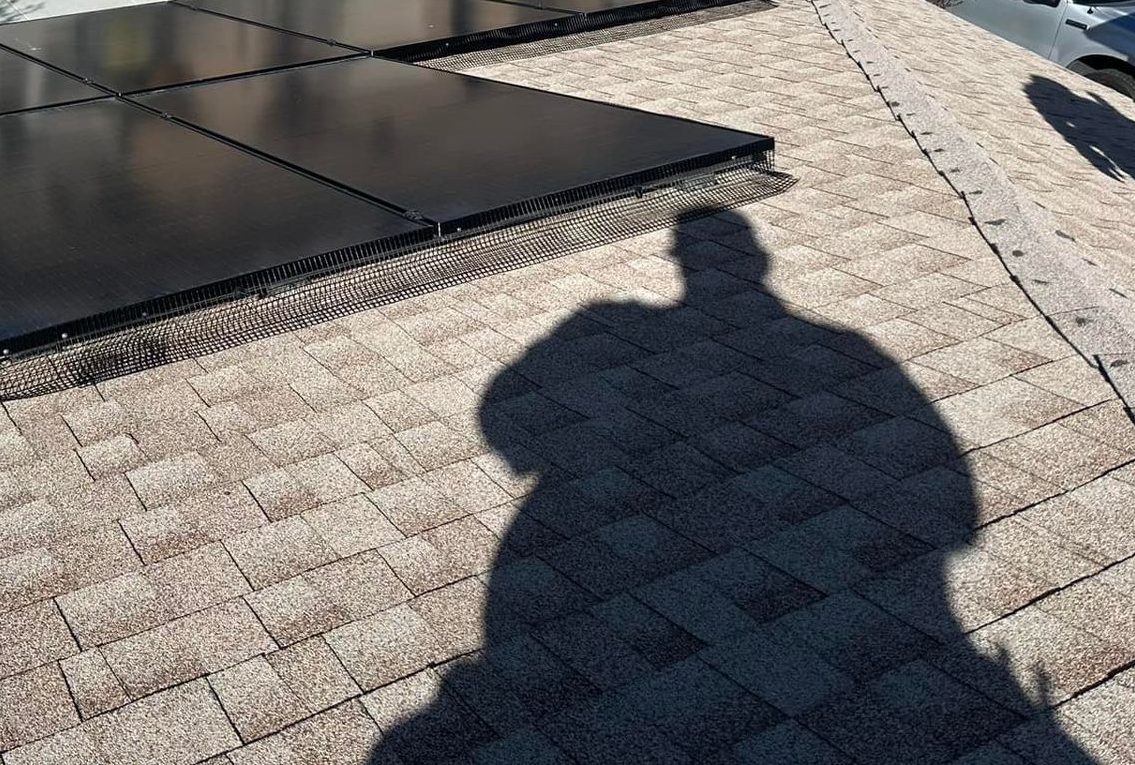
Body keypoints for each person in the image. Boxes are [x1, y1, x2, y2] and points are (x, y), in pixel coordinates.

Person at [369, 211, 1095, 763]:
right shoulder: (849, 352)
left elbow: (503, 413)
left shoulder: (610, 324)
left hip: (561, 561)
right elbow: (955, 515)